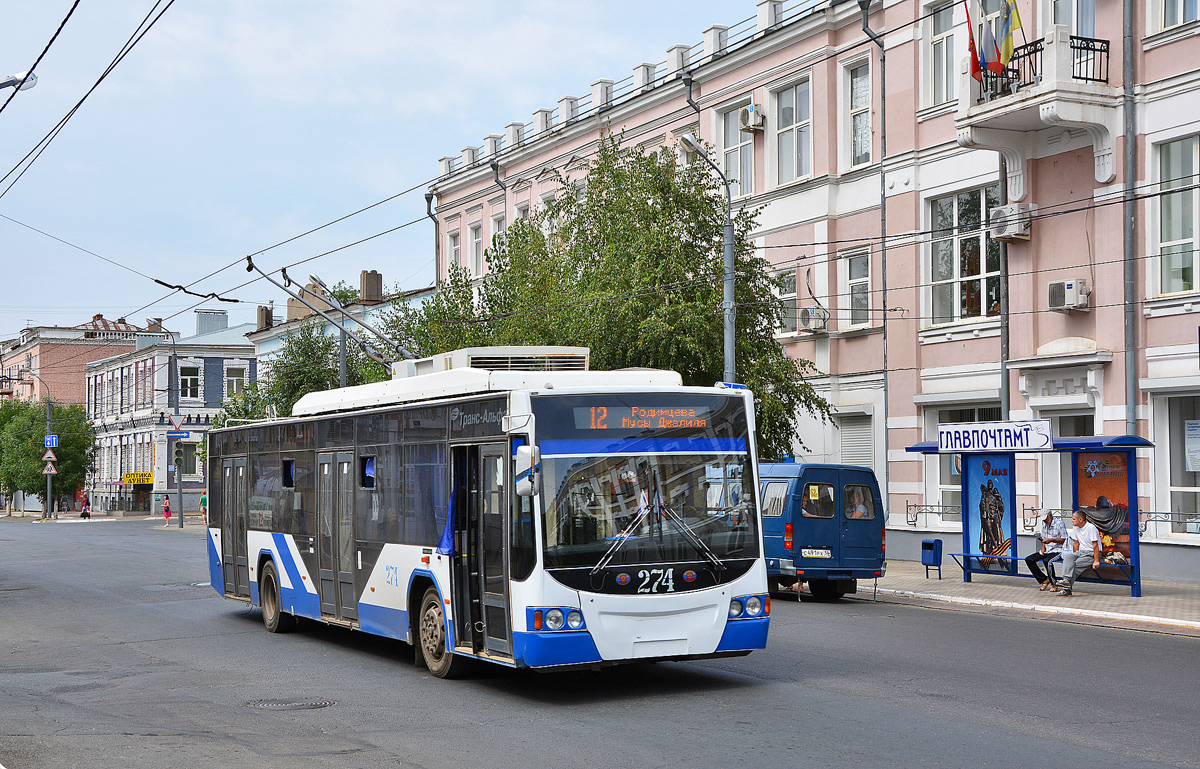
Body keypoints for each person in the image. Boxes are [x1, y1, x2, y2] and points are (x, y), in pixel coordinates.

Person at [1056, 510, 1101, 597]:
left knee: (1074, 566)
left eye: (1074, 519)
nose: (1072, 521)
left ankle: (1066, 589)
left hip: (1091, 553)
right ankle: (1066, 581)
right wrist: (1074, 555)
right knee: (1068, 558)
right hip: (1081, 552)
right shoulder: (1076, 527)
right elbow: (1076, 543)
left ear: (1080, 519)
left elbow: (1095, 545)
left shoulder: (1090, 528)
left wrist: (1096, 561)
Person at [1026, 510, 1066, 590]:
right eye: (1043, 519)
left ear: (1050, 516)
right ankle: (1044, 579)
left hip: (1058, 549)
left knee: (1047, 561)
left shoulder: (1059, 524)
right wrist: (1043, 547)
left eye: (1045, 518)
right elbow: (1044, 538)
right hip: (1047, 549)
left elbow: (1064, 539)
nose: (1044, 520)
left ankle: (1053, 583)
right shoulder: (1044, 524)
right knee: (1029, 559)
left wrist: (1051, 540)